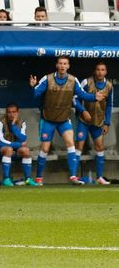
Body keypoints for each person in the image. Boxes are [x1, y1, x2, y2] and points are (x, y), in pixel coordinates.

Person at [29, 56, 104, 185]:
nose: (63, 66)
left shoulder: (73, 80)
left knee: (70, 144)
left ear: (68, 66)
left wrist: (94, 97)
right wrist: (32, 87)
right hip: (48, 119)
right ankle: (39, 178)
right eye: (60, 63)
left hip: (64, 119)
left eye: (65, 64)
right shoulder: (47, 79)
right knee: (45, 149)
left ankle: (73, 176)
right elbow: (35, 95)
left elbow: (82, 95)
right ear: (56, 65)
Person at [74, 62, 114, 185]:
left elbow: (109, 105)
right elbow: (75, 99)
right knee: (79, 146)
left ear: (106, 72)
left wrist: (107, 123)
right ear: (94, 71)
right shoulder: (86, 82)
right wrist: (83, 111)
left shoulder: (109, 86)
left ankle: (100, 177)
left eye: (103, 70)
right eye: (98, 69)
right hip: (83, 121)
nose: (100, 72)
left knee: (99, 147)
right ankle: (74, 177)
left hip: (98, 122)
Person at [0, 103, 35, 186]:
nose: (11, 114)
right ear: (6, 113)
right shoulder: (0, 123)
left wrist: (13, 125)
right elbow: (0, 142)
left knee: (26, 150)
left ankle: (27, 179)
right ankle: (6, 179)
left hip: (15, 150)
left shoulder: (22, 122)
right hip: (0, 150)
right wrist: (18, 145)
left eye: (14, 112)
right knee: (8, 149)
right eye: (9, 112)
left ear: (18, 112)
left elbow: (23, 138)